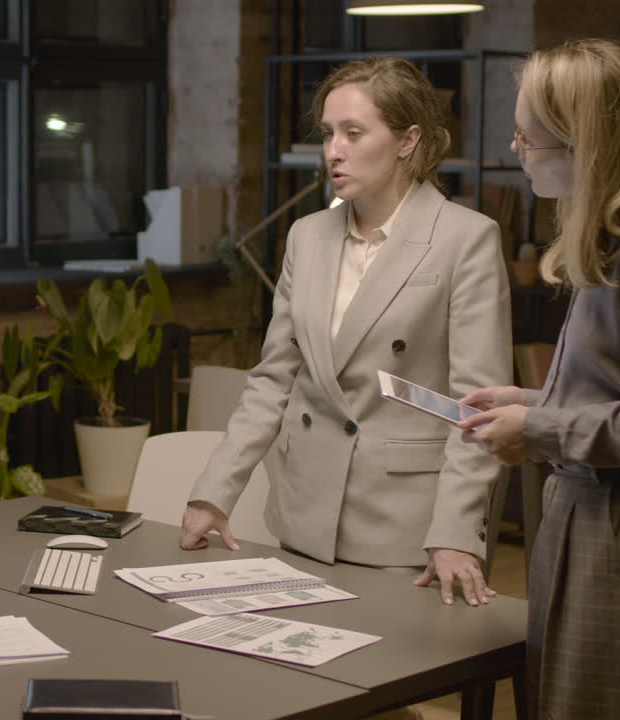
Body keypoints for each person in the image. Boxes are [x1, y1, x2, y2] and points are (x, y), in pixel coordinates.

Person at [182, 57, 511, 607]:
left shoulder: (466, 239)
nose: (334, 150)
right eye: (329, 133)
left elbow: (474, 406)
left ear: (409, 139)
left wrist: (455, 532)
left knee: (384, 681)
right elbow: (272, 380)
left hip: (405, 527)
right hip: (302, 511)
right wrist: (215, 493)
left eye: (354, 133)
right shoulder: (307, 237)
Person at [459, 38, 620, 719]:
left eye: (531, 139)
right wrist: (531, 400)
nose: (517, 152)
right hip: (579, 514)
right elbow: (616, 387)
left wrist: (542, 426)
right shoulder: (611, 241)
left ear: (590, 144)